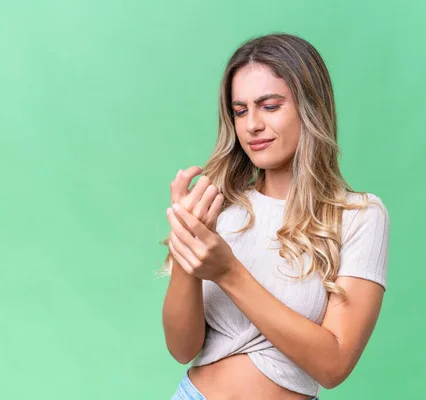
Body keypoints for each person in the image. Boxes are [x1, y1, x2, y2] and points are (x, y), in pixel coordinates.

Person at [161, 33, 390, 400]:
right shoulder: (218, 207)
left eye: (270, 106)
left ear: (310, 107)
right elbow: (181, 349)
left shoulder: (358, 216)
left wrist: (228, 272)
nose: (251, 125)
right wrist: (187, 248)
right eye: (240, 110)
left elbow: (333, 365)